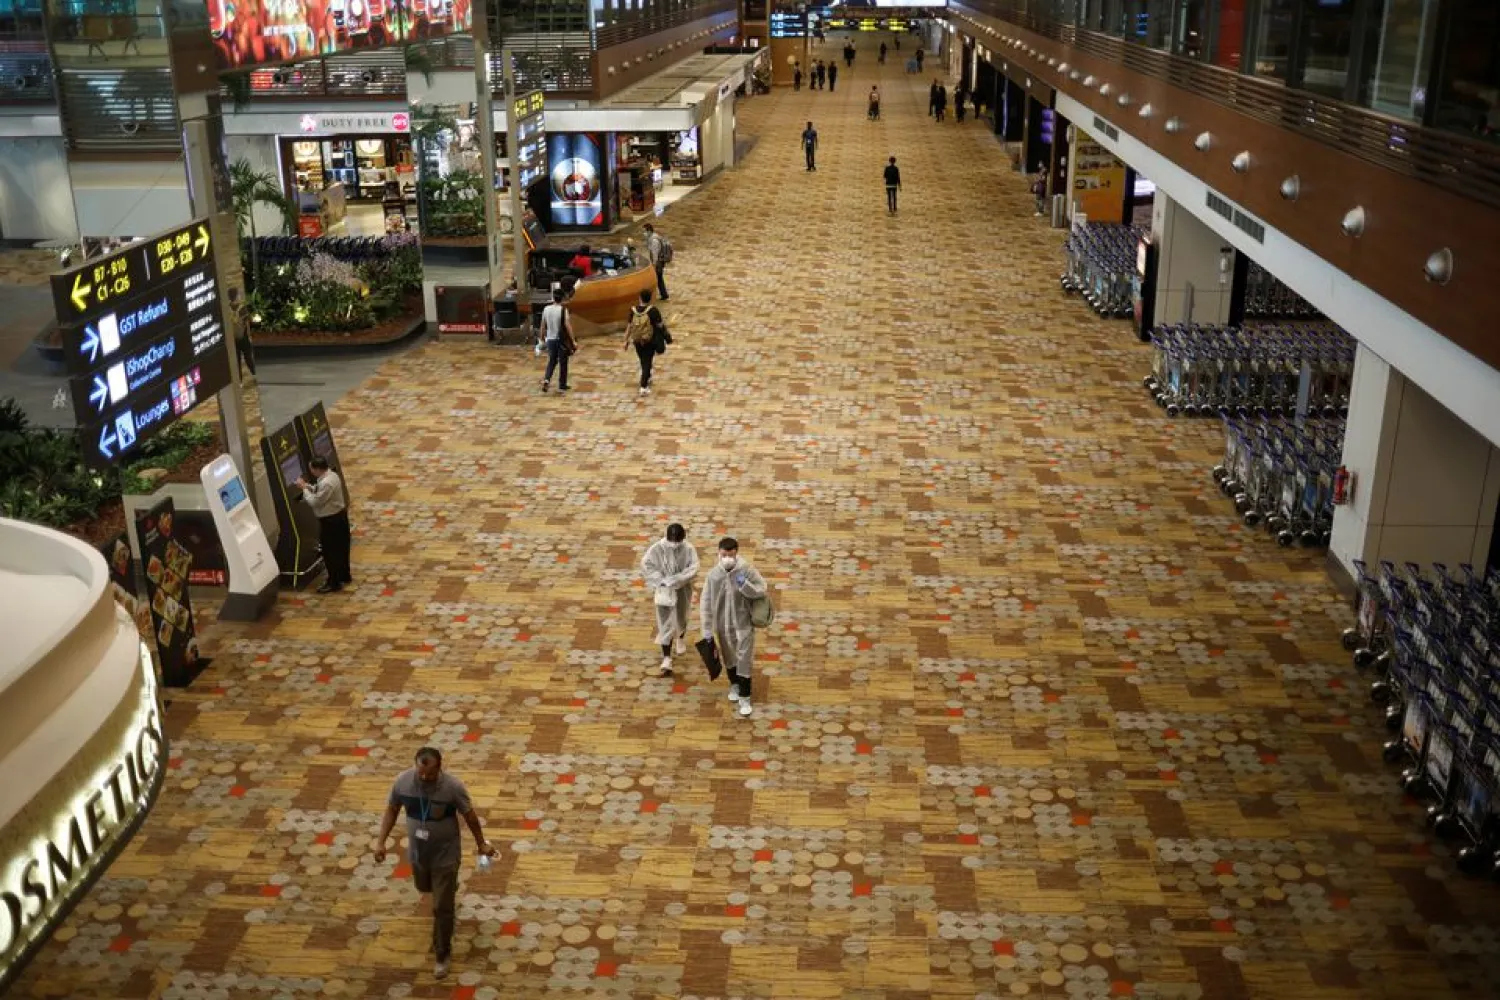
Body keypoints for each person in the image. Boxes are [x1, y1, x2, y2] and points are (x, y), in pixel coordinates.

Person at [374, 747, 497, 980]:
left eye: (429, 775)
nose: (424, 778)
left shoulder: (453, 787)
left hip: (446, 855)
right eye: (420, 773)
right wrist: (381, 842)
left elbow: (470, 816)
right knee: (424, 888)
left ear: (439, 768)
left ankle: (442, 953)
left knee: (442, 908)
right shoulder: (402, 782)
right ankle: (447, 891)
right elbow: (391, 809)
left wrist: (481, 844)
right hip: (419, 854)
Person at [699, 537, 768, 718]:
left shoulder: (747, 570)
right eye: (724, 555)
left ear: (736, 553)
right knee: (729, 655)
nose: (727, 558)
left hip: (743, 622)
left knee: (744, 657)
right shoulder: (713, 575)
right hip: (723, 624)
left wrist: (744, 585)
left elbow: (761, 589)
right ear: (718, 553)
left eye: (731, 555)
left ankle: (745, 696)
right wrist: (706, 629)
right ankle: (734, 685)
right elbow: (705, 603)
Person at [642, 523, 699, 676]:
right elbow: (646, 565)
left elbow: (693, 568)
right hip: (664, 590)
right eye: (672, 540)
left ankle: (680, 637)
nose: (674, 544)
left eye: (678, 541)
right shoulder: (656, 549)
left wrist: (677, 579)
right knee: (664, 621)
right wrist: (661, 580)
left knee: (682, 616)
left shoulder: (688, 549)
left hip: (682, 590)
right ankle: (666, 657)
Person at [296, 457, 349, 593]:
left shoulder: (326, 483)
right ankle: (344, 575)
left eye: (311, 469)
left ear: (318, 469)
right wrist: (308, 487)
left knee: (330, 552)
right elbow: (319, 490)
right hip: (339, 517)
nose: (311, 471)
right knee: (342, 549)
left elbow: (316, 502)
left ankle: (334, 583)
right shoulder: (332, 476)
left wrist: (304, 489)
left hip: (331, 521)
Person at [623, 288, 665, 395]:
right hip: (648, 340)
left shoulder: (633, 310)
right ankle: (643, 386)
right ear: (650, 299)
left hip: (636, 340)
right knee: (647, 361)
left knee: (643, 359)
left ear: (640, 298)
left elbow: (629, 326)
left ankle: (647, 376)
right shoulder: (653, 311)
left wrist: (626, 340)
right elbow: (660, 325)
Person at [540, 288, 573, 394]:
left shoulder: (546, 309)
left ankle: (547, 379)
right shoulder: (563, 310)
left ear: (553, 298)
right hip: (561, 340)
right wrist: (573, 340)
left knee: (552, 361)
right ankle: (562, 384)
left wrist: (542, 338)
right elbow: (568, 326)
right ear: (562, 298)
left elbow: (543, 326)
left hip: (550, 339)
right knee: (563, 362)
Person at [644, 222, 669, 301]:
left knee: (655, 279)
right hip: (658, 262)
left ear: (649, 231)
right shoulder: (652, 238)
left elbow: (655, 254)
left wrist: (654, 265)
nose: (644, 233)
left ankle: (651, 296)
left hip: (657, 263)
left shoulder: (654, 241)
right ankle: (664, 294)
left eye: (644, 231)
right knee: (659, 278)